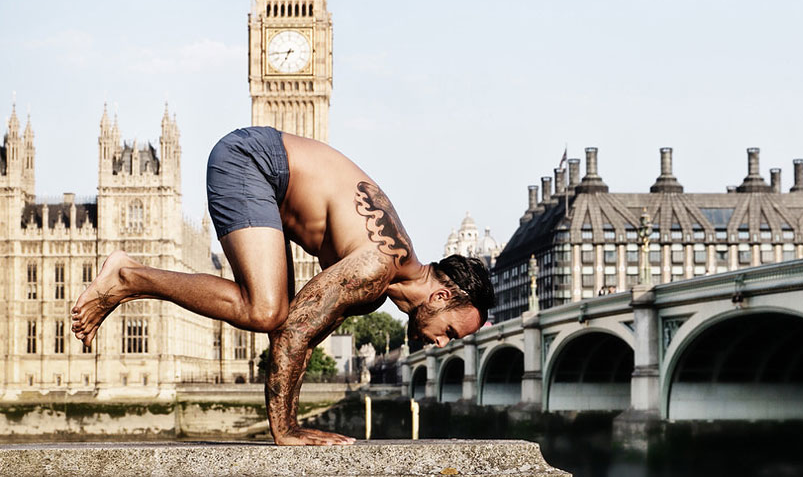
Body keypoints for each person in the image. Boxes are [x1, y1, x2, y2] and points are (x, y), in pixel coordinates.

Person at [72, 126, 495, 445]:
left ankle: (129, 278)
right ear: (441, 296)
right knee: (266, 309)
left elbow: (301, 337)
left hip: (268, 182)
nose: (443, 345)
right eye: (451, 332)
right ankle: (128, 275)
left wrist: (291, 423)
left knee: (274, 311)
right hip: (250, 161)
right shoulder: (377, 266)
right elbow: (290, 333)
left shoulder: (380, 286)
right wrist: (287, 431)